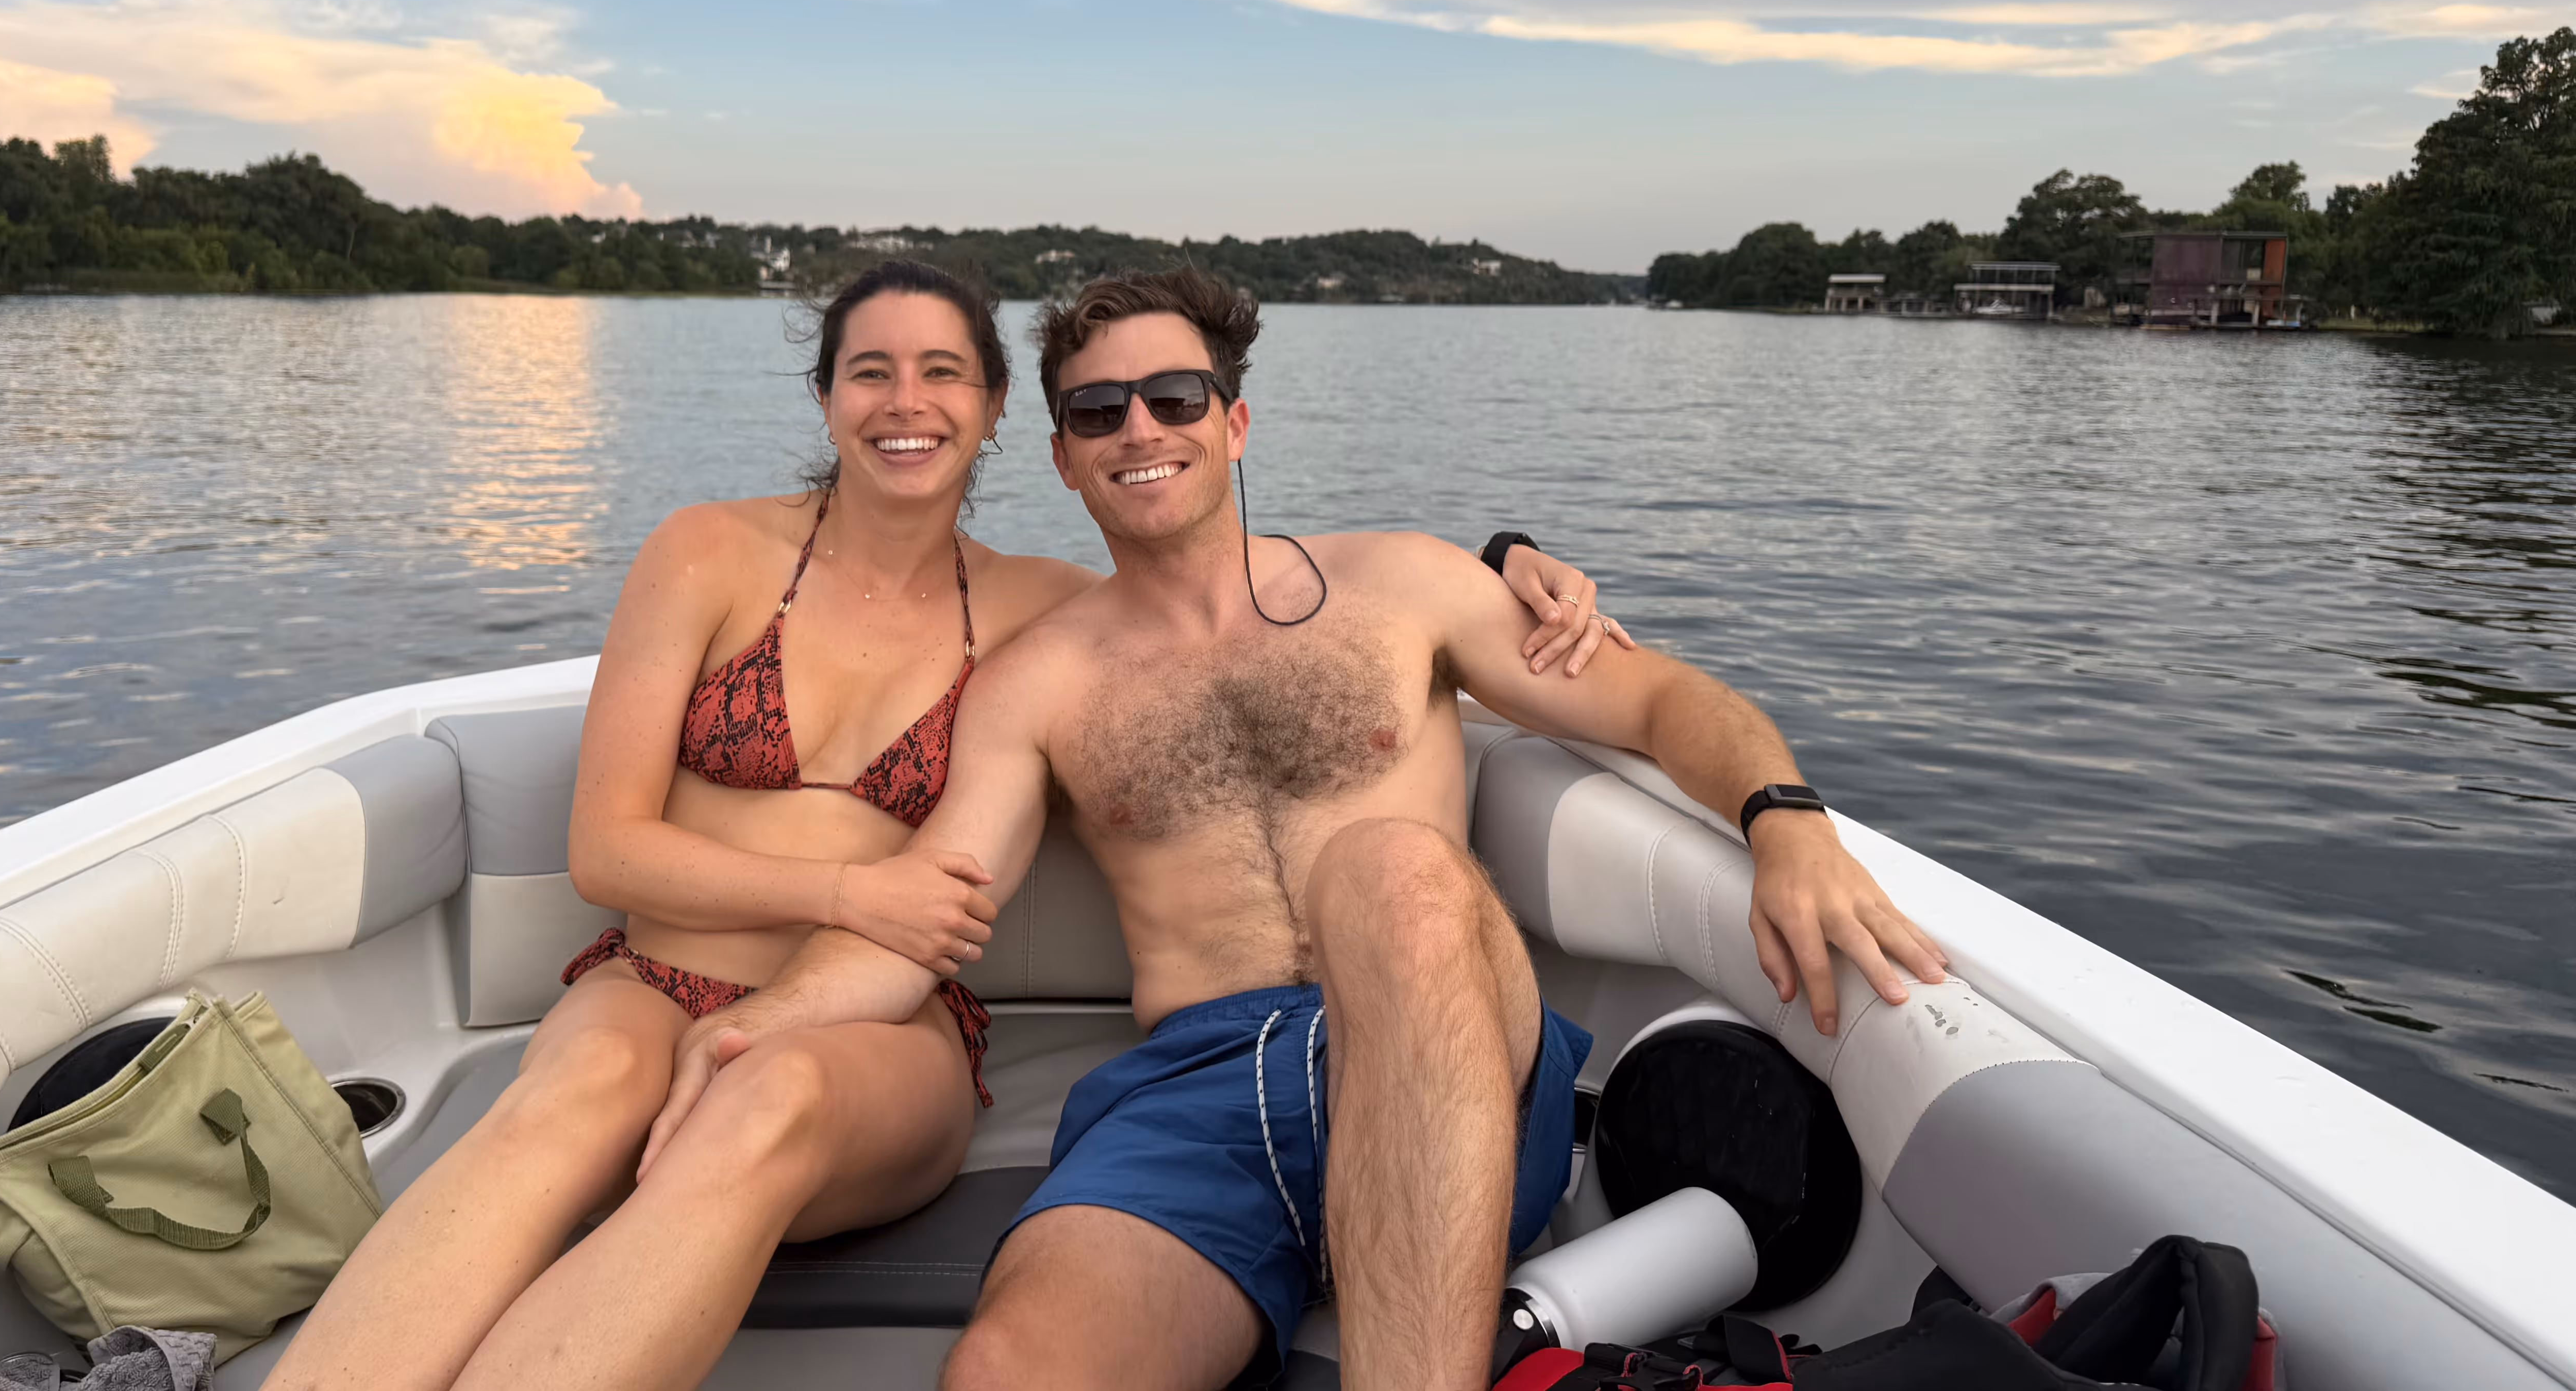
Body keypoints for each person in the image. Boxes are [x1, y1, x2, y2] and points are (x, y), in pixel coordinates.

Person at [267, 260, 1620, 1391]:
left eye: (942, 376)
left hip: (873, 1029)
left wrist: (1500, 562)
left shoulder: (1038, 610)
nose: (905, 402)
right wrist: (853, 900)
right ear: (826, 398)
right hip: (654, 976)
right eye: (870, 371)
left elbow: (1207, 591)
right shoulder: (708, 552)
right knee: (556, 1110)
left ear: (985, 420)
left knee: (768, 1101)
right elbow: (605, 853)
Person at [642, 267, 1951, 1391]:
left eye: (1175, 398)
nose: (1138, 428)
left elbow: (1661, 697)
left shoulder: (1405, 587)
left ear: (1236, 419)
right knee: (1008, 1372)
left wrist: (1785, 822)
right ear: (1060, 455)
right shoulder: (1040, 681)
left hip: (1438, 1046)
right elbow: (938, 897)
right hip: (1198, 1096)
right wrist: (757, 1026)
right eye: (1097, 411)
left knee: (1386, 870)